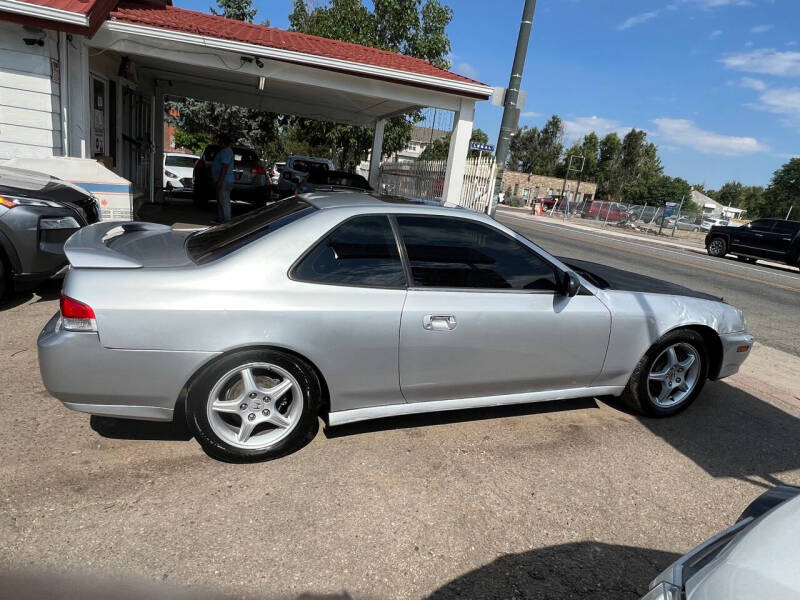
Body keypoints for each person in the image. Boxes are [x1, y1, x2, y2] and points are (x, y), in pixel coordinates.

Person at [211, 132, 234, 222]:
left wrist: (220, 181)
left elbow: (224, 167)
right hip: (223, 180)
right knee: (221, 200)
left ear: (223, 142)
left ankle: (227, 221)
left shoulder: (226, 151)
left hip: (224, 180)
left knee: (224, 201)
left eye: (219, 141)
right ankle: (221, 218)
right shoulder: (225, 151)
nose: (218, 143)